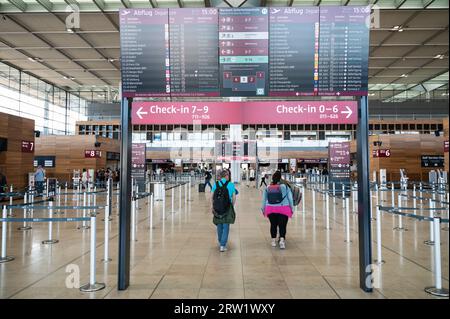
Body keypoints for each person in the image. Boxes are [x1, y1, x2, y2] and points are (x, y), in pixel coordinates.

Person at [261, 171, 294, 249]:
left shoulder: (268, 187)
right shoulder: (285, 187)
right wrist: (292, 208)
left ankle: (273, 241)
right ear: (280, 178)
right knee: (282, 225)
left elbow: (264, 199)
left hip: (270, 208)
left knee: (273, 225)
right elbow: (290, 198)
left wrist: (263, 209)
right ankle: (282, 241)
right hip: (284, 208)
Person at [211, 169, 236, 252]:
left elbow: (212, 196)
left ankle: (220, 241)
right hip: (227, 207)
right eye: (228, 175)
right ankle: (223, 245)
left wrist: (213, 206)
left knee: (219, 225)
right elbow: (234, 197)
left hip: (217, 208)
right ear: (226, 176)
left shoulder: (216, 184)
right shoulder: (231, 184)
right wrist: (232, 205)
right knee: (226, 226)